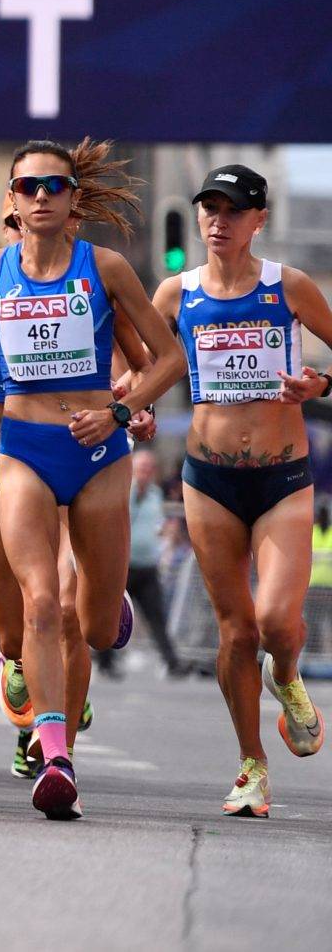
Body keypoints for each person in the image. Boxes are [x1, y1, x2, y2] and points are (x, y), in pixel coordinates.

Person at [0, 139, 185, 819]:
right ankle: (55, 754)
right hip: (21, 448)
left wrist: (121, 412)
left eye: (54, 185)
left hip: (98, 450)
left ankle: (112, 605)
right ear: (12, 200)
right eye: (28, 186)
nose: (41, 196)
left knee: (91, 624)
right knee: (42, 602)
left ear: (73, 199)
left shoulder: (105, 267)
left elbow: (168, 356)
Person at [151, 164, 330, 817]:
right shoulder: (176, 293)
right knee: (235, 629)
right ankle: (252, 764)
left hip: (282, 478)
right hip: (210, 479)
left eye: (233, 210)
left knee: (278, 622)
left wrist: (321, 384)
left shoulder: (291, 287)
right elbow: (138, 361)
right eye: (209, 209)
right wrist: (135, 404)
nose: (218, 222)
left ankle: (287, 677)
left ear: (259, 219)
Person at [118, 450, 188, 679]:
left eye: (149, 468)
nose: (145, 472)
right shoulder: (122, 490)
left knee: (157, 617)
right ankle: (105, 660)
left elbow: (159, 526)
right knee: (110, 618)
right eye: (141, 468)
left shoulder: (156, 494)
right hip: (122, 567)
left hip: (147, 566)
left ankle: (172, 662)